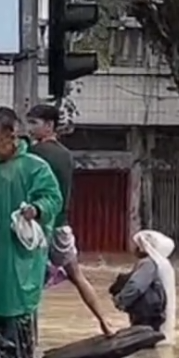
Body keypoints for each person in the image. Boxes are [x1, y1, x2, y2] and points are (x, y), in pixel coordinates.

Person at [0, 109, 62, 358]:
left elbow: (53, 198)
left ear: (12, 136)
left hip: (20, 255)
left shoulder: (35, 167)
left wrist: (37, 209)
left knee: (19, 308)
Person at [25, 103, 112, 337]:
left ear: (49, 125)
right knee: (77, 276)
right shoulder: (66, 155)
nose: (29, 128)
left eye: (34, 123)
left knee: (29, 284)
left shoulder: (34, 154)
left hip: (37, 227)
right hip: (61, 226)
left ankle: (30, 337)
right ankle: (105, 322)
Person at [109, 230, 177, 341]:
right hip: (153, 312)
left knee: (142, 341)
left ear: (141, 247)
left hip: (146, 313)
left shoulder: (148, 263)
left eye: (136, 244)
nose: (133, 247)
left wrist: (120, 300)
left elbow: (136, 286)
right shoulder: (159, 262)